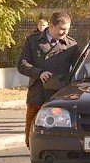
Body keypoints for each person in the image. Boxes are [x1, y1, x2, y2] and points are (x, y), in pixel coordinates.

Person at [18, 11, 81, 148]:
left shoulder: (72, 45)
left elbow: (80, 69)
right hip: (37, 94)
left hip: (59, 95)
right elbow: (22, 64)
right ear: (51, 26)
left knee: (58, 133)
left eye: (67, 29)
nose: (64, 32)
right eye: (62, 29)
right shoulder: (33, 40)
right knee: (32, 136)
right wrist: (39, 73)